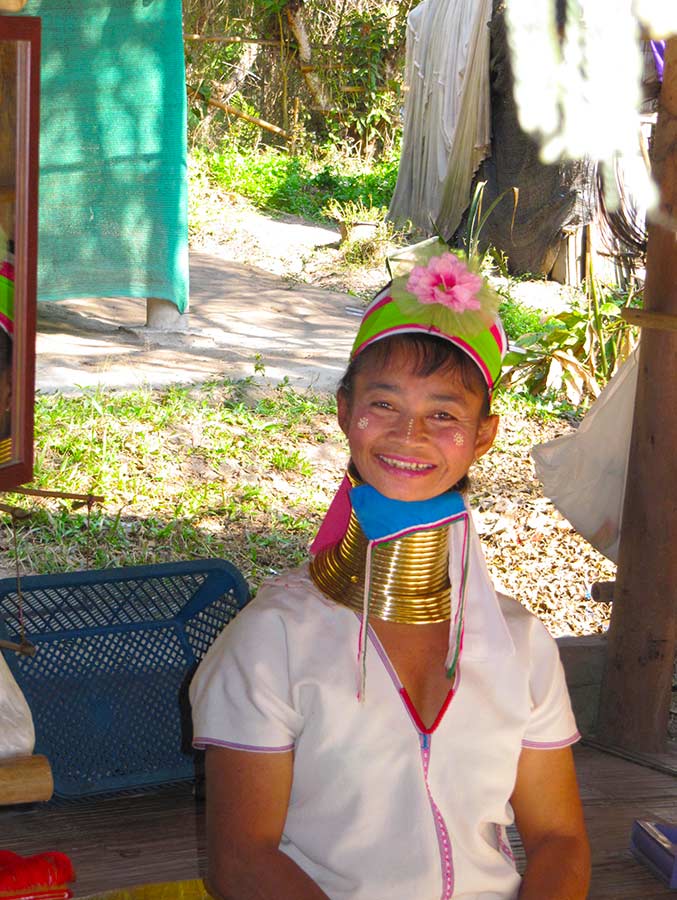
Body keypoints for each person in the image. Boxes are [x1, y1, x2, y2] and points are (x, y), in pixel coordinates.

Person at [189, 238, 591, 900]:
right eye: (384, 404)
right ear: (345, 410)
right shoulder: (273, 641)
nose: (409, 435)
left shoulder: (518, 645)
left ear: (482, 435)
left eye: (443, 414)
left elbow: (558, 839)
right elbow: (244, 861)